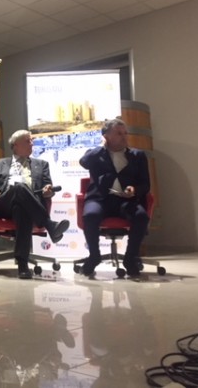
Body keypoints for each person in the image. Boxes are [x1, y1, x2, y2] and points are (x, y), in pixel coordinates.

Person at [0, 130, 69, 279]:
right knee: (19, 187)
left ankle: (23, 265)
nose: (32, 144)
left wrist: (48, 191)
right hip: (4, 204)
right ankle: (49, 225)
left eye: (31, 141)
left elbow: (47, 189)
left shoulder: (42, 165)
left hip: (29, 206)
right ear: (16, 145)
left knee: (22, 210)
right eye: (28, 141)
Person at [79, 118, 150, 277]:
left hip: (126, 200)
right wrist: (102, 146)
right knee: (90, 215)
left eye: (125, 133)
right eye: (119, 133)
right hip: (100, 199)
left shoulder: (137, 155)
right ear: (106, 136)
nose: (124, 137)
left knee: (141, 216)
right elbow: (84, 162)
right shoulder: (97, 154)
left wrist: (134, 190)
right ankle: (94, 256)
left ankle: (130, 258)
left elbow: (146, 184)